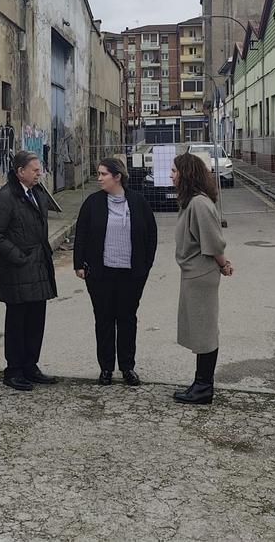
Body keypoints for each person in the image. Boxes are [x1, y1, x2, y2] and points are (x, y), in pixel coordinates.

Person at [73, 157, 159, 387]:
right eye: (98, 173)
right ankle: (106, 368)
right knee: (103, 320)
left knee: (127, 319)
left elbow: (151, 235)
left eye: (103, 174)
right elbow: (81, 234)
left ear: (117, 176)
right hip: (101, 273)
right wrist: (79, 264)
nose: (99, 178)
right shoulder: (93, 203)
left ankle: (128, 367)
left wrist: (145, 265)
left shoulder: (138, 202)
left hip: (131, 274)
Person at [0, 150, 58, 391]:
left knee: (36, 319)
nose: (40, 173)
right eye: (35, 170)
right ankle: (14, 370)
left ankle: (31, 365)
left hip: (38, 266)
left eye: (40, 169)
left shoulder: (37, 193)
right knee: (18, 322)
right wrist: (18, 256)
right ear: (20, 172)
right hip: (18, 269)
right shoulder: (6, 198)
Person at [171, 151, 233, 405]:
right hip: (193, 273)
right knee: (199, 329)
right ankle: (200, 383)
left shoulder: (199, 203)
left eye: (175, 171)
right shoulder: (191, 202)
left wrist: (224, 264)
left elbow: (213, 242)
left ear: (186, 174)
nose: (171, 175)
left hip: (201, 274)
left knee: (205, 330)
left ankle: (204, 387)